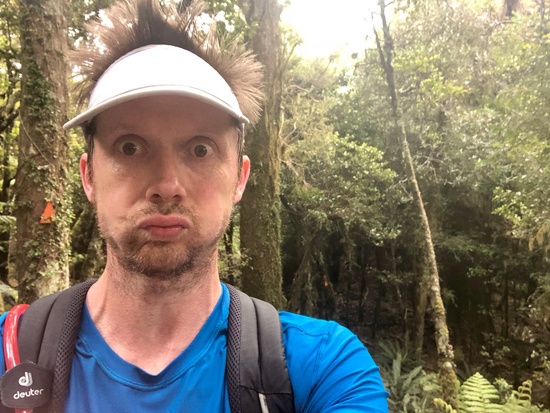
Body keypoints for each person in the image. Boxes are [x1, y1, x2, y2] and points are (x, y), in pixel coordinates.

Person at [0, 0, 388, 411]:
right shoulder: (12, 352)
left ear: (239, 178)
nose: (167, 187)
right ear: (89, 175)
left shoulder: (323, 367)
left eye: (201, 149)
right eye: (130, 147)